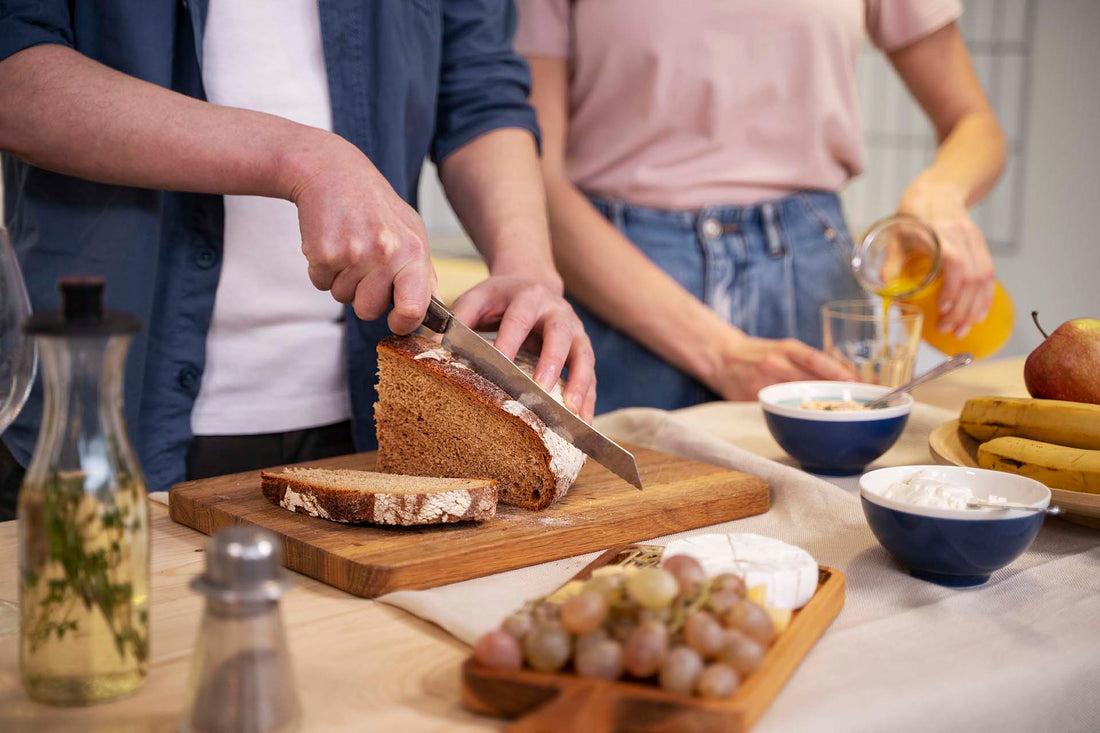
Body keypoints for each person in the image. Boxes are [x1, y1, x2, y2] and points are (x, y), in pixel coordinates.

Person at [0, 0, 596, 520]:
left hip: (359, 417)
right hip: (100, 409)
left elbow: (480, 91)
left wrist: (526, 264)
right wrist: (304, 159)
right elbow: (15, 71)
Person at [516, 0, 1005, 413]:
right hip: (618, 287)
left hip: (812, 277)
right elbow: (533, 176)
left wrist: (937, 194)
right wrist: (720, 352)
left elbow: (975, 124)